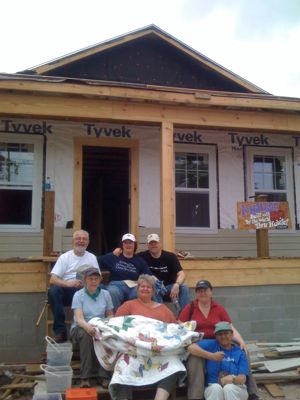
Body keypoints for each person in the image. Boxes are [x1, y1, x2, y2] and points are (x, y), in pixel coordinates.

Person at [178, 280, 259, 400]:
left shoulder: (219, 308)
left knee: (243, 351)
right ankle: (196, 396)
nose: (202, 293)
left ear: (211, 292)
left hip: (219, 340)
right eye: (199, 291)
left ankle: (252, 391)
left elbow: (230, 326)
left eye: (205, 290)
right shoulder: (189, 308)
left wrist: (241, 341)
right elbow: (180, 326)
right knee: (194, 360)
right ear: (196, 293)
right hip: (198, 344)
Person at [113, 274, 179, 400]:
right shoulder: (128, 305)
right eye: (142, 286)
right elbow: (117, 325)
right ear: (137, 290)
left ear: (153, 291)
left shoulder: (163, 308)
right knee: (123, 366)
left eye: (148, 287)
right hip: (135, 349)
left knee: (175, 365)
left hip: (158, 351)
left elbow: (173, 328)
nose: (145, 289)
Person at [48, 229, 100, 342]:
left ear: (88, 242)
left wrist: (88, 284)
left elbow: (98, 277)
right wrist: (68, 283)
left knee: (104, 290)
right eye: (78, 238)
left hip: (86, 291)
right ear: (73, 241)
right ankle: (60, 332)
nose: (81, 241)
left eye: (84, 239)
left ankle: (99, 328)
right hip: (68, 291)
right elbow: (52, 279)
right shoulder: (65, 257)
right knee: (53, 291)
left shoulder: (92, 257)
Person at [70, 266, 114, 388]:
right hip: (81, 327)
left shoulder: (106, 294)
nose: (93, 281)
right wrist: (89, 328)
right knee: (87, 336)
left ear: (100, 280)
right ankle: (85, 377)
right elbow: (79, 319)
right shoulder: (78, 295)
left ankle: (103, 375)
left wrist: (106, 326)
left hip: (100, 325)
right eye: (90, 278)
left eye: (96, 278)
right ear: (85, 280)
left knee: (107, 336)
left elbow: (110, 314)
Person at [187, 321, 249, 400]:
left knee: (229, 388)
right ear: (216, 336)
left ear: (232, 334)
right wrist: (212, 356)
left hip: (236, 388)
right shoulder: (212, 345)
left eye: (226, 333)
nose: (223, 336)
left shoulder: (239, 352)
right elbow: (190, 347)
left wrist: (233, 379)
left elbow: (243, 379)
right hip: (213, 387)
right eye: (220, 334)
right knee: (215, 388)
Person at [98, 233, 152, 311]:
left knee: (139, 292)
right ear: (122, 245)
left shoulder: (140, 261)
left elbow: (148, 276)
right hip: (116, 285)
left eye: (130, 243)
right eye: (125, 243)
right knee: (112, 291)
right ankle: (116, 316)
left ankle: (132, 317)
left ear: (134, 245)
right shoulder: (114, 257)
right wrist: (112, 254)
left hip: (133, 285)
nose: (128, 245)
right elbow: (96, 261)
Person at [138, 233, 190, 312]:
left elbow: (181, 273)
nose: (153, 245)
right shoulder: (142, 256)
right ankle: (161, 316)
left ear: (160, 244)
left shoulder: (170, 256)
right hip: (154, 289)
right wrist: (117, 253)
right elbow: (129, 256)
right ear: (147, 245)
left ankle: (184, 317)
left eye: (155, 242)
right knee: (153, 289)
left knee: (184, 287)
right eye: (151, 243)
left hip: (169, 289)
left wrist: (176, 285)